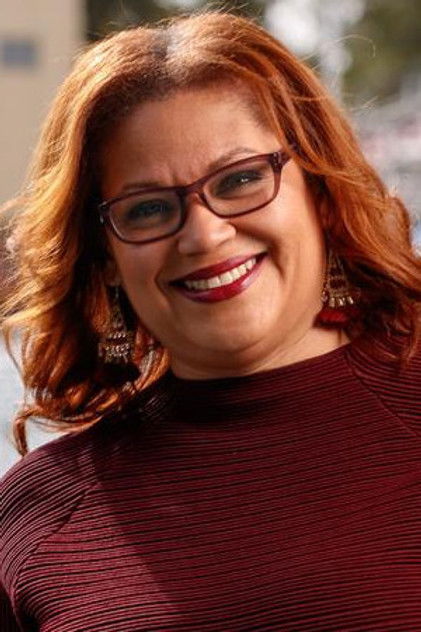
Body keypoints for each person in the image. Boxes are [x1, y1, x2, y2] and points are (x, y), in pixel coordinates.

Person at [1, 11, 420, 632]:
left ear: (321, 194)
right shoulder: (39, 517)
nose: (204, 235)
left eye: (241, 179)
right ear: (106, 257)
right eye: (147, 209)